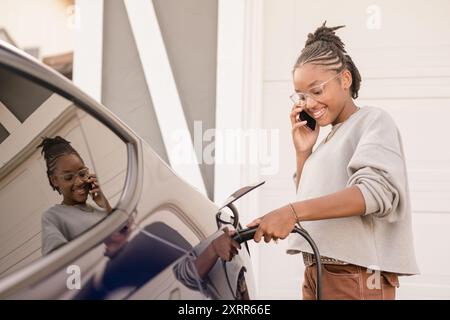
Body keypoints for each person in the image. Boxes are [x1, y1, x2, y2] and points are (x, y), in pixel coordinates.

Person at [247, 22, 419, 300]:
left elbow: (374, 193)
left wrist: (291, 212)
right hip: (318, 271)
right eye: (302, 95)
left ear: (345, 79)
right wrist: (304, 152)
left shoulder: (372, 120)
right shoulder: (327, 140)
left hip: (356, 276)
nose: (309, 103)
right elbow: (312, 204)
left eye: (317, 91)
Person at [38, 136, 112, 255]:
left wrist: (106, 205)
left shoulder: (100, 210)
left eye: (82, 173)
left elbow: (125, 233)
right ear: (54, 180)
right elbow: (56, 261)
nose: (79, 182)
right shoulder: (53, 217)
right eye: (68, 177)